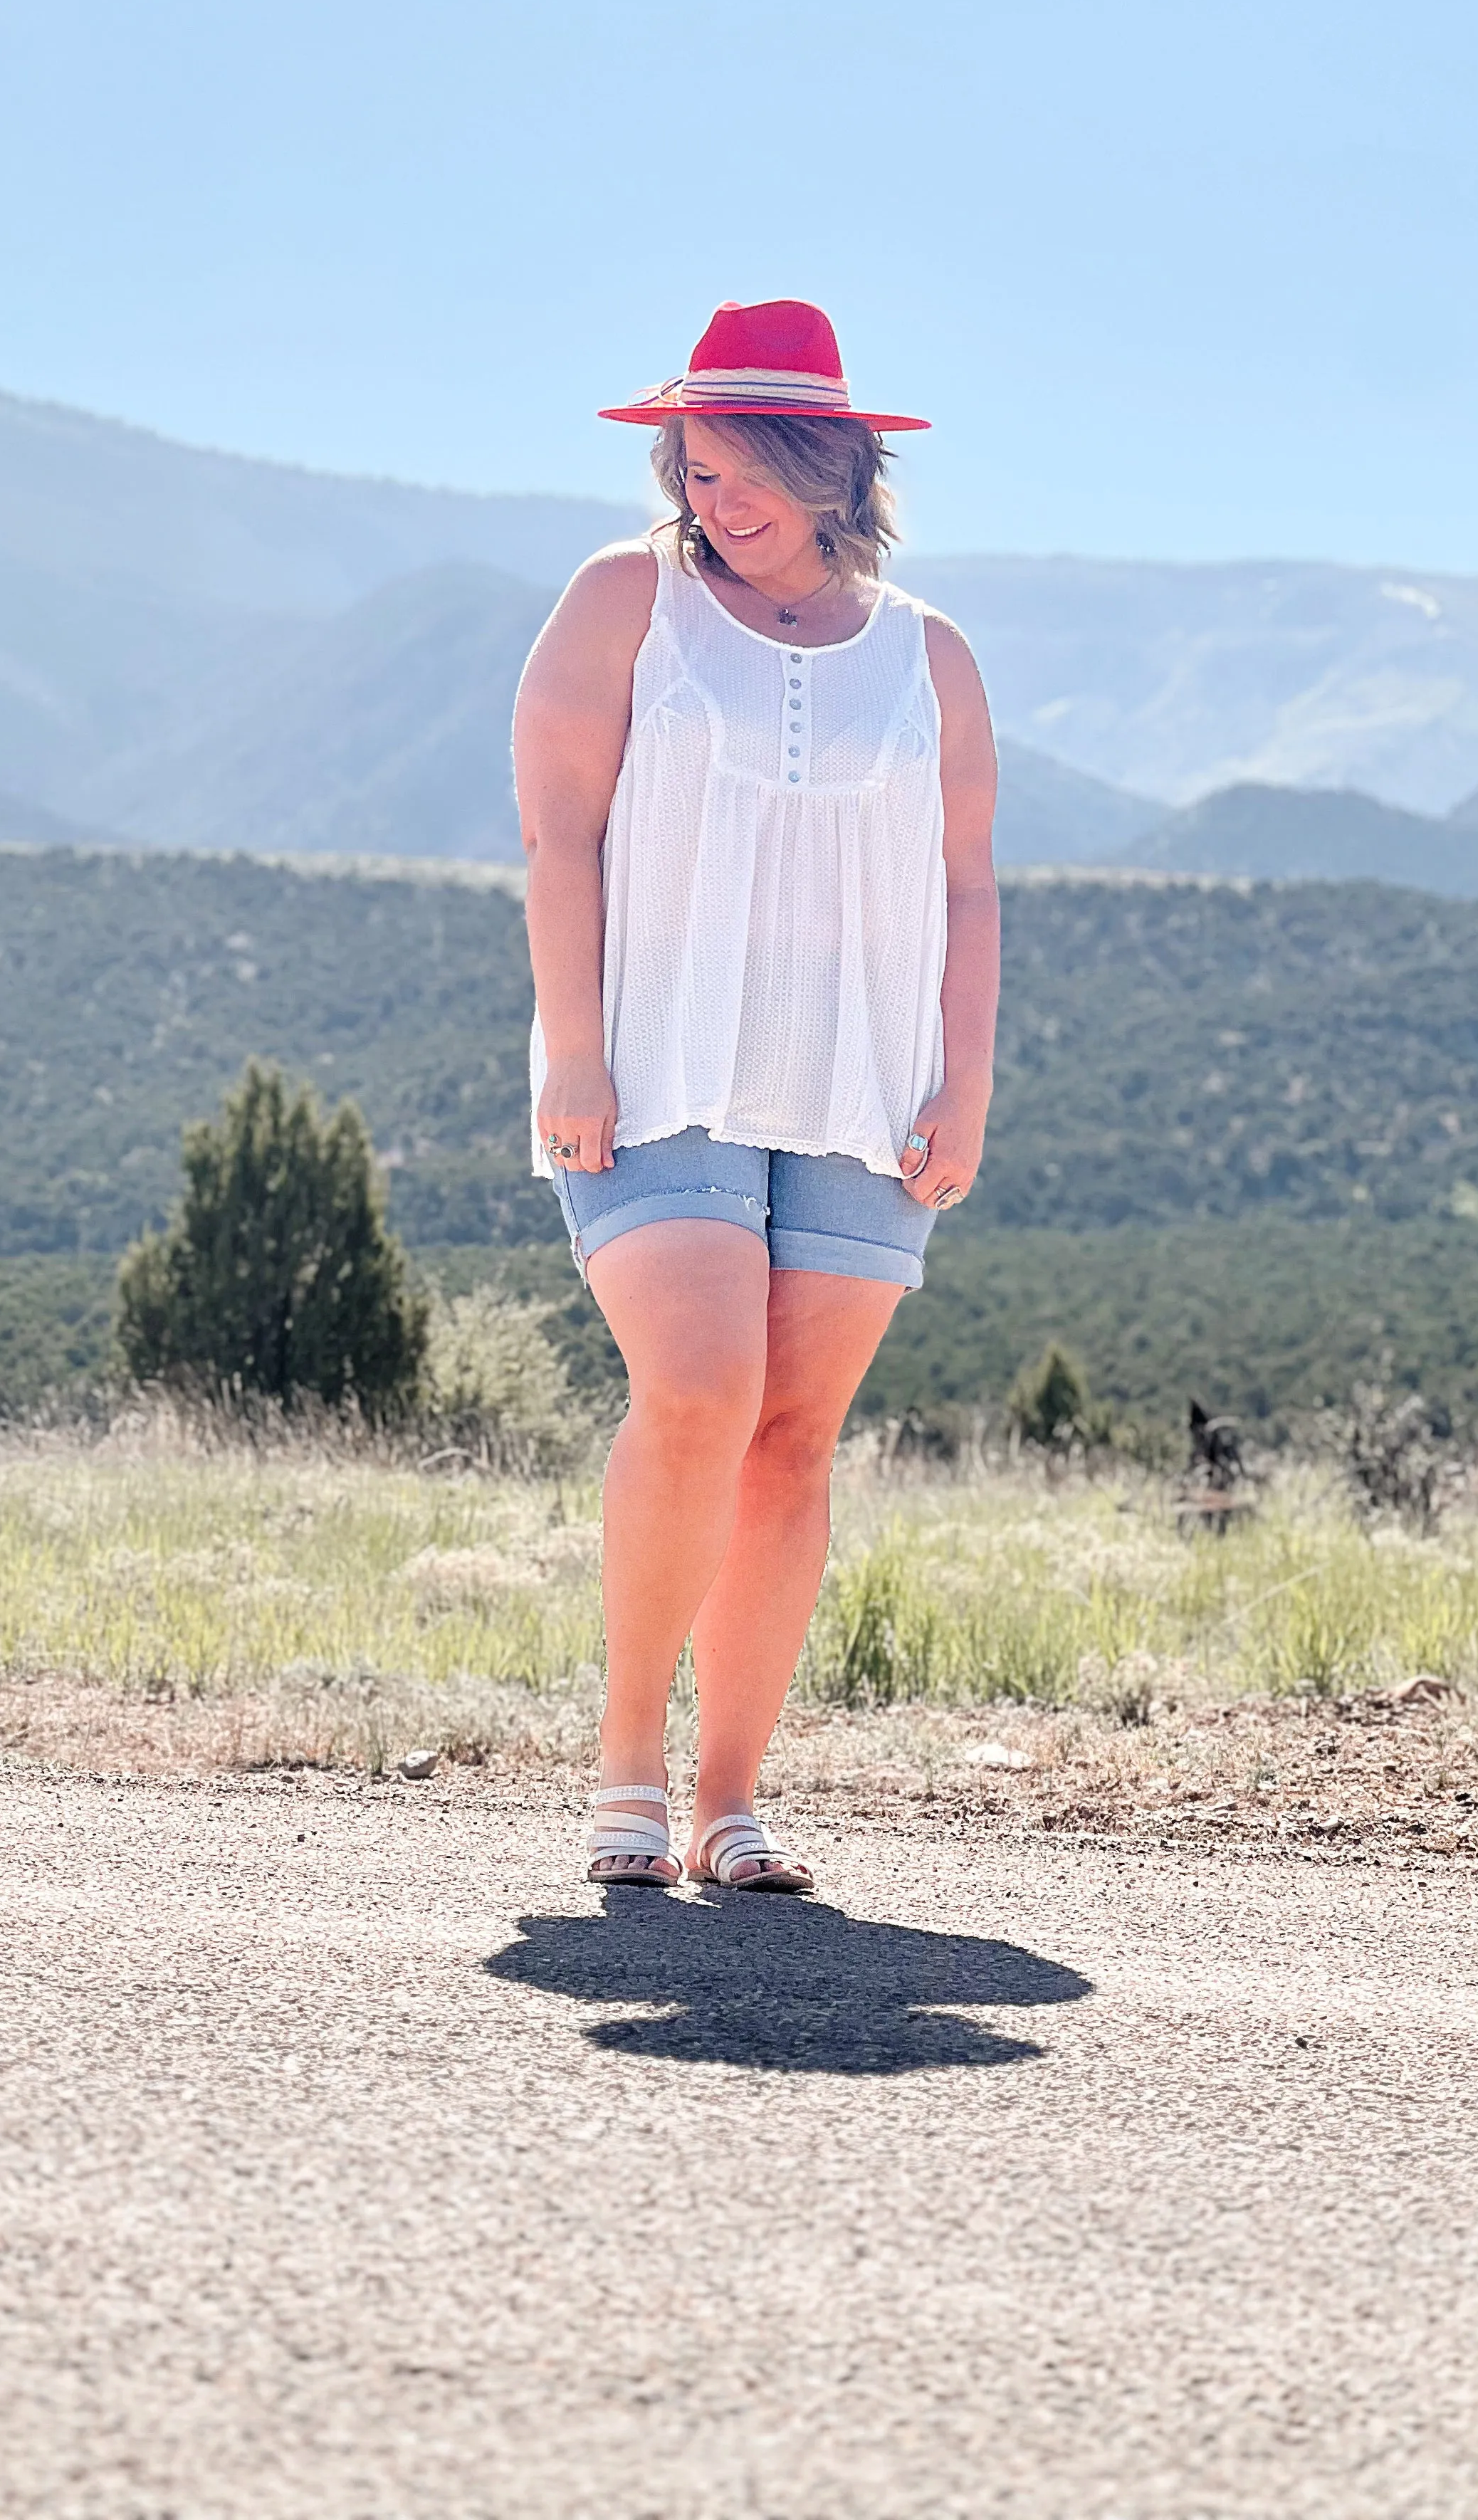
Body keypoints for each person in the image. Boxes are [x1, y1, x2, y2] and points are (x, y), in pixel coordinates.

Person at [512, 299, 999, 1893]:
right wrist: (569, 1045)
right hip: (660, 1059)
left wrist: (967, 1082)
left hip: (860, 1080)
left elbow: (970, 888)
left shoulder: (930, 655)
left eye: (748, 470)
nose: (715, 500)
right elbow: (558, 835)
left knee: (793, 1440)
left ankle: (732, 1802)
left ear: (834, 465)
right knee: (703, 1393)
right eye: (697, 466)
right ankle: (628, 1774)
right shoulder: (622, 602)